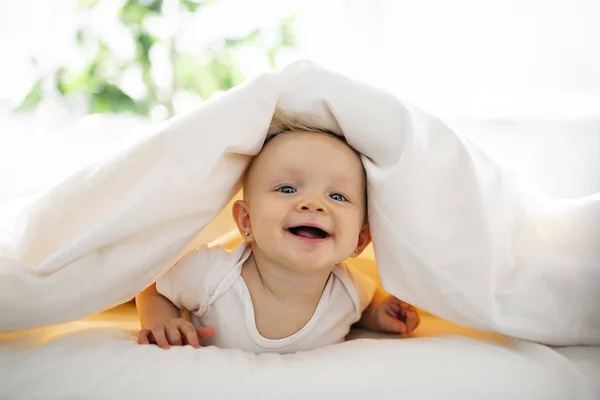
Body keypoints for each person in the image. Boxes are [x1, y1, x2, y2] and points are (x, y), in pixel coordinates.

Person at [136, 108, 420, 353]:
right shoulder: (212, 275)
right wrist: (161, 321)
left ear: (360, 240)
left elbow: (366, 306)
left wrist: (380, 315)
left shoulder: (347, 290)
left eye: (337, 196)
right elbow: (152, 287)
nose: (313, 204)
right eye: (287, 189)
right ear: (247, 222)